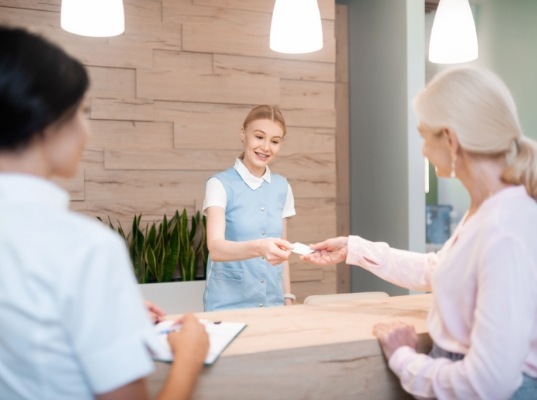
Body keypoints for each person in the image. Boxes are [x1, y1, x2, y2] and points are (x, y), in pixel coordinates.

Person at [302, 66, 537, 399]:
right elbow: (441, 269)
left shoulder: (505, 227)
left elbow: (487, 384)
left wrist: (405, 360)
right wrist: (354, 248)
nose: (423, 150)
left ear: (451, 140)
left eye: (424, 135)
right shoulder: (490, 209)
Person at [0, 26, 208, 400]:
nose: (86, 132)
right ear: (45, 122)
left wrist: (108, 309)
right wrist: (190, 353)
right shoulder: (86, 248)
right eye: (81, 112)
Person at [202, 105, 295, 311]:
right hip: (227, 305)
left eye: (275, 141)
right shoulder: (219, 184)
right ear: (243, 134)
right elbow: (215, 248)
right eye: (259, 137)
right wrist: (259, 247)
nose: (266, 147)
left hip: (273, 303)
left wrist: (287, 297)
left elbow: (283, 252)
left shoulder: (282, 187)